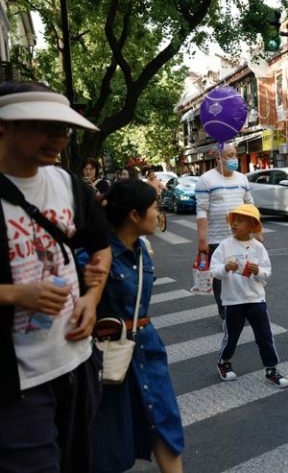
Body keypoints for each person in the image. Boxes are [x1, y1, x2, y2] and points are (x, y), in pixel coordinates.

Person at [0, 81, 112, 473]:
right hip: (17, 387)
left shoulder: (67, 185)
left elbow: (101, 246)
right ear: (4, 126)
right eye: (45, 127)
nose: (59, 139)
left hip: (78, 364)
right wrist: (16, 295)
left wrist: (91, 298)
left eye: (63, 130)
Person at [92, 179, 184, 473]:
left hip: (147, 346)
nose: (159, 213)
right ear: (134, 214)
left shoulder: (143, 249)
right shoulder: (96, 255)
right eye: (154, 207)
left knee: (166, 422)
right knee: (110, 437)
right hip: (109, 355)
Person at [210, 204, 288, 388]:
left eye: (240, 221)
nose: (234, 224)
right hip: (233, 301)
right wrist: (225, 268)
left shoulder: (258, 247)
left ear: (252, 226)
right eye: (233, 220)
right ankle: (224, 362)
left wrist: (257, 271)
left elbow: (267, 272)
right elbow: (214, 271)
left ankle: (271, 369)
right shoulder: (224, 245)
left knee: (265, 335)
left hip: (256, 299)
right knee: (232, 336)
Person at [195, 142, 260, 320]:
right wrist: (202, 239)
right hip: (216, 239)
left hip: (242, 237)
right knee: (220, 277)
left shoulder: (242, 178)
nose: (234, 159)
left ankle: (241, 309)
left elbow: (250, 204)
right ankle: (225, 314)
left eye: (235, 155)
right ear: (218, 158)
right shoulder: (206, 180)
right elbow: (202, 210)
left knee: (243, 274)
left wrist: (257, 232)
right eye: (230, 155)